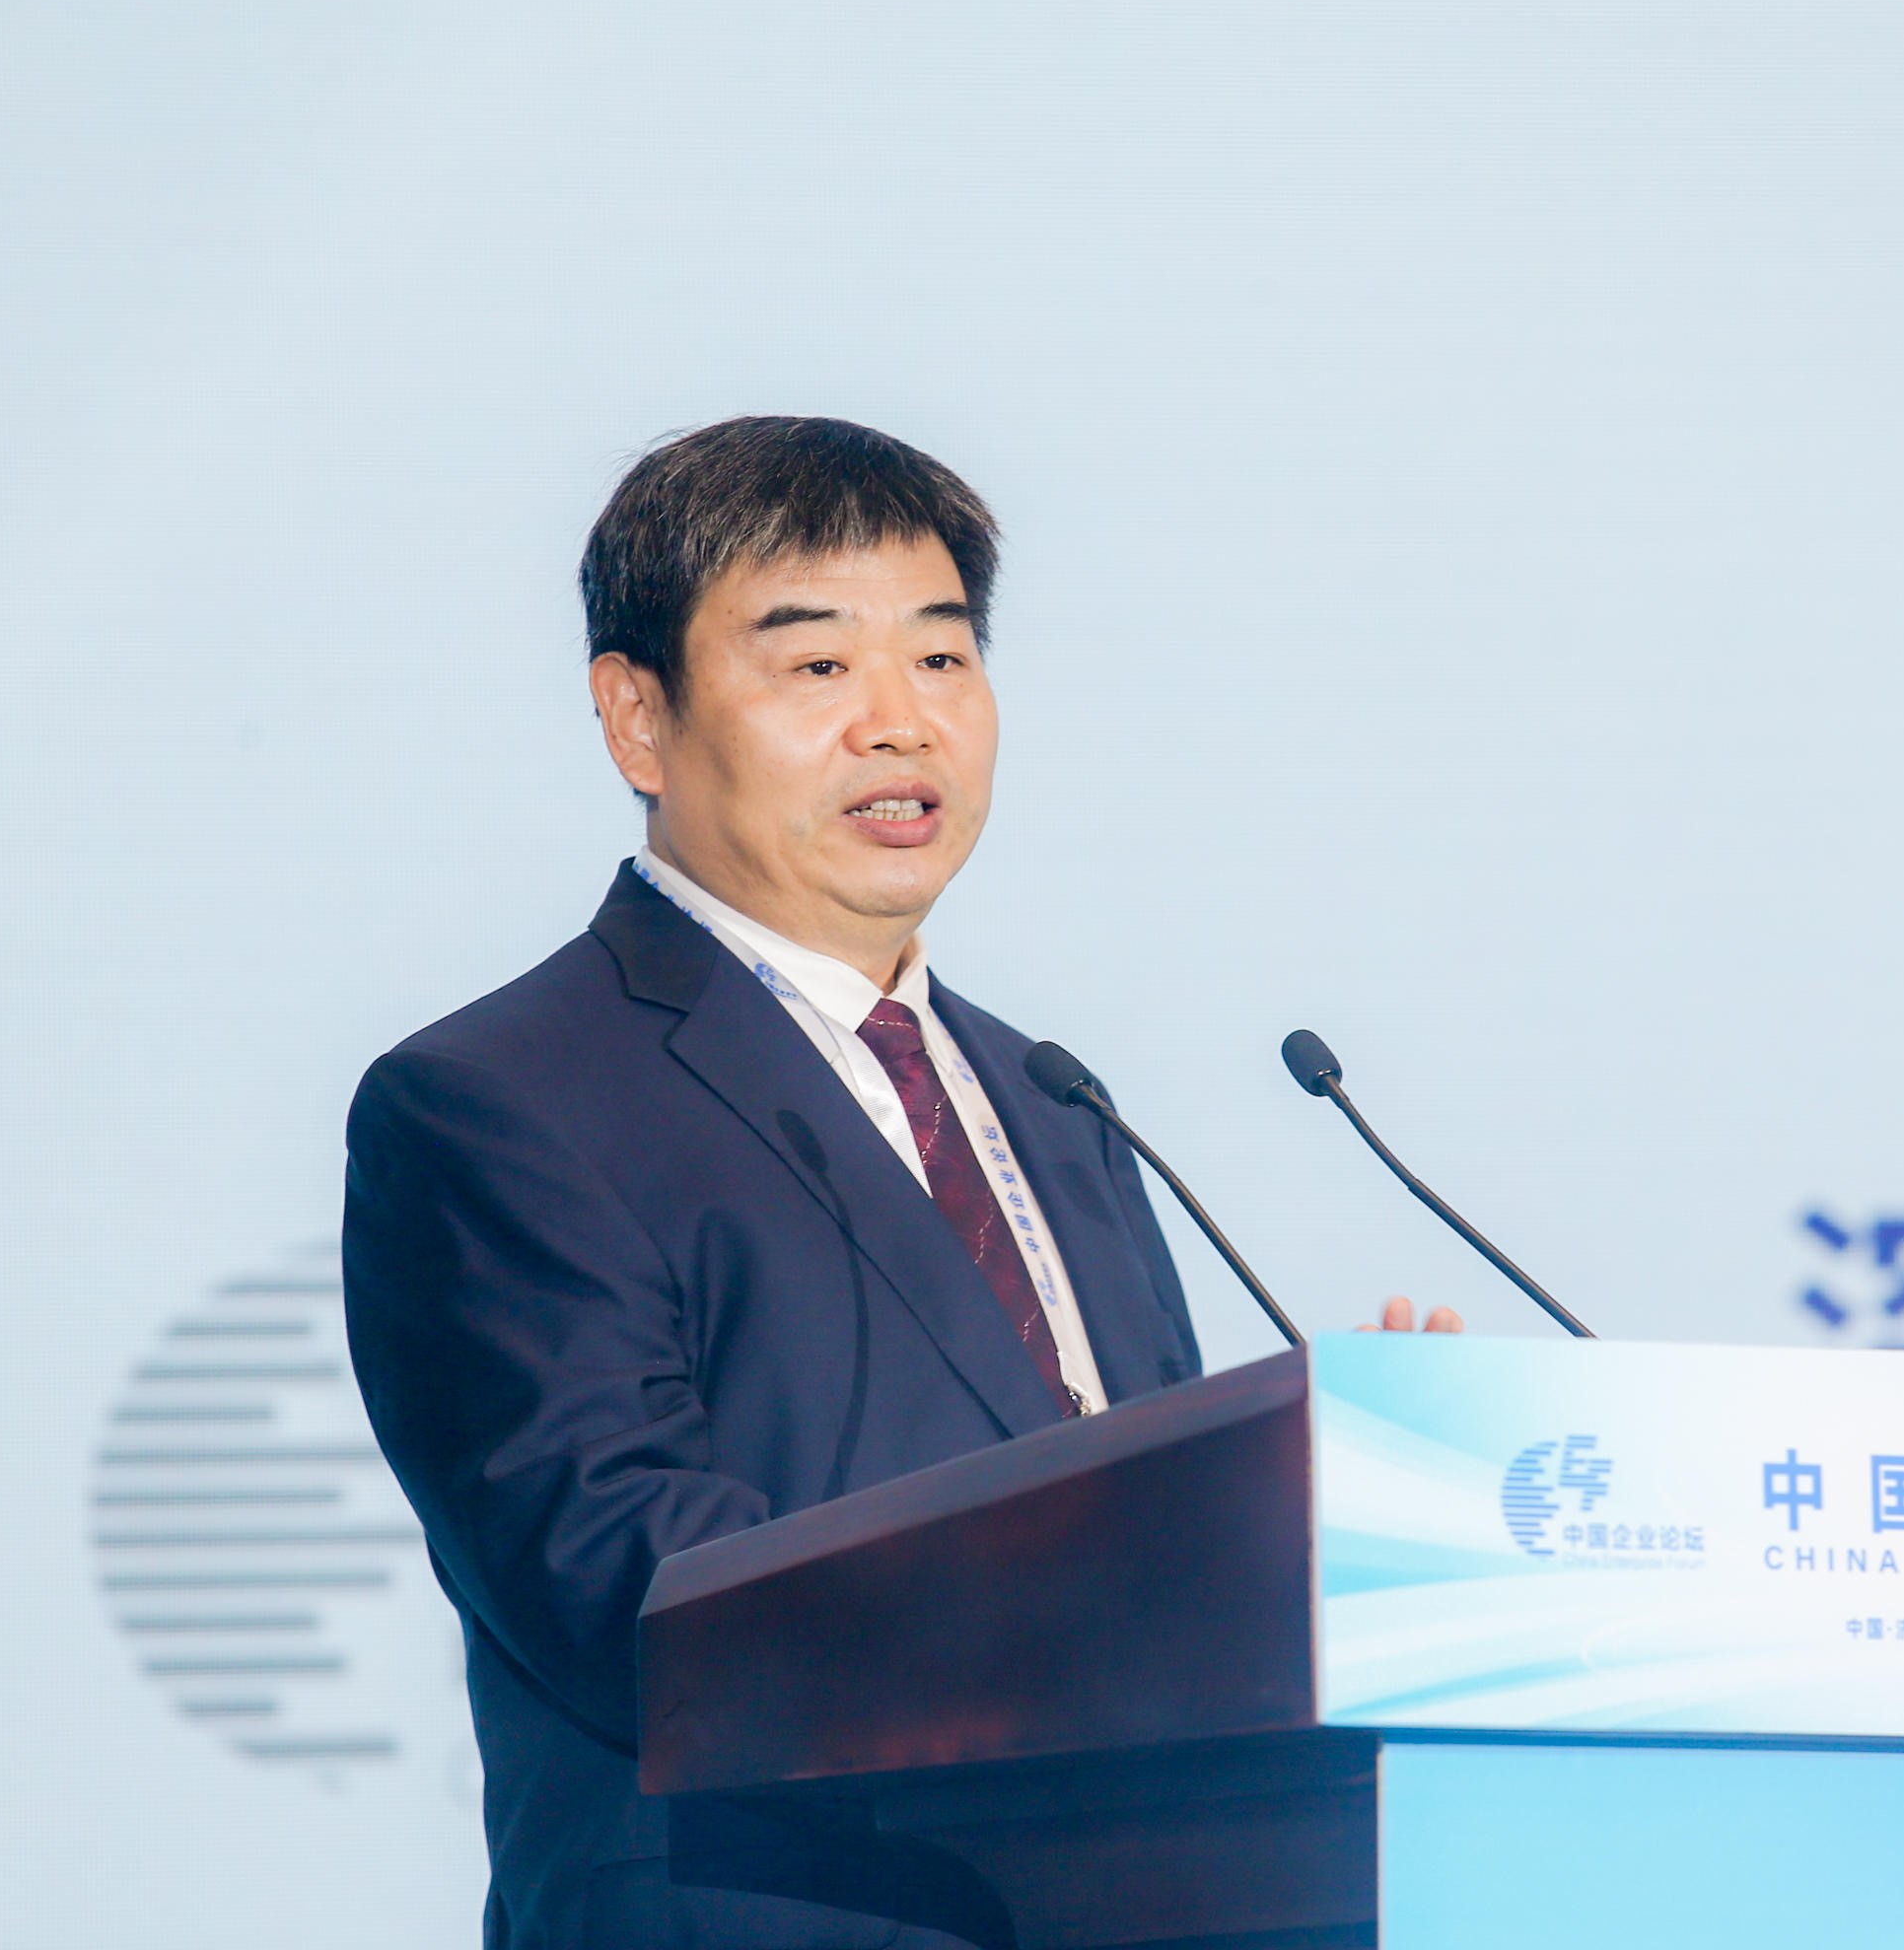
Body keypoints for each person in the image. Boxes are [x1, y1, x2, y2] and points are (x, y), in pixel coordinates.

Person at [343, 416, 1449, 1950]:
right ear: (637, 720)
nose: (900, 723)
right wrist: (1108, 1595)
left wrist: (1313, 1495)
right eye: (818, 665)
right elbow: (637, 1596)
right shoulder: (499, 1102)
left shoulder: (1052, 1104)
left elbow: (1140, 1529)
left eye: (940, 658)